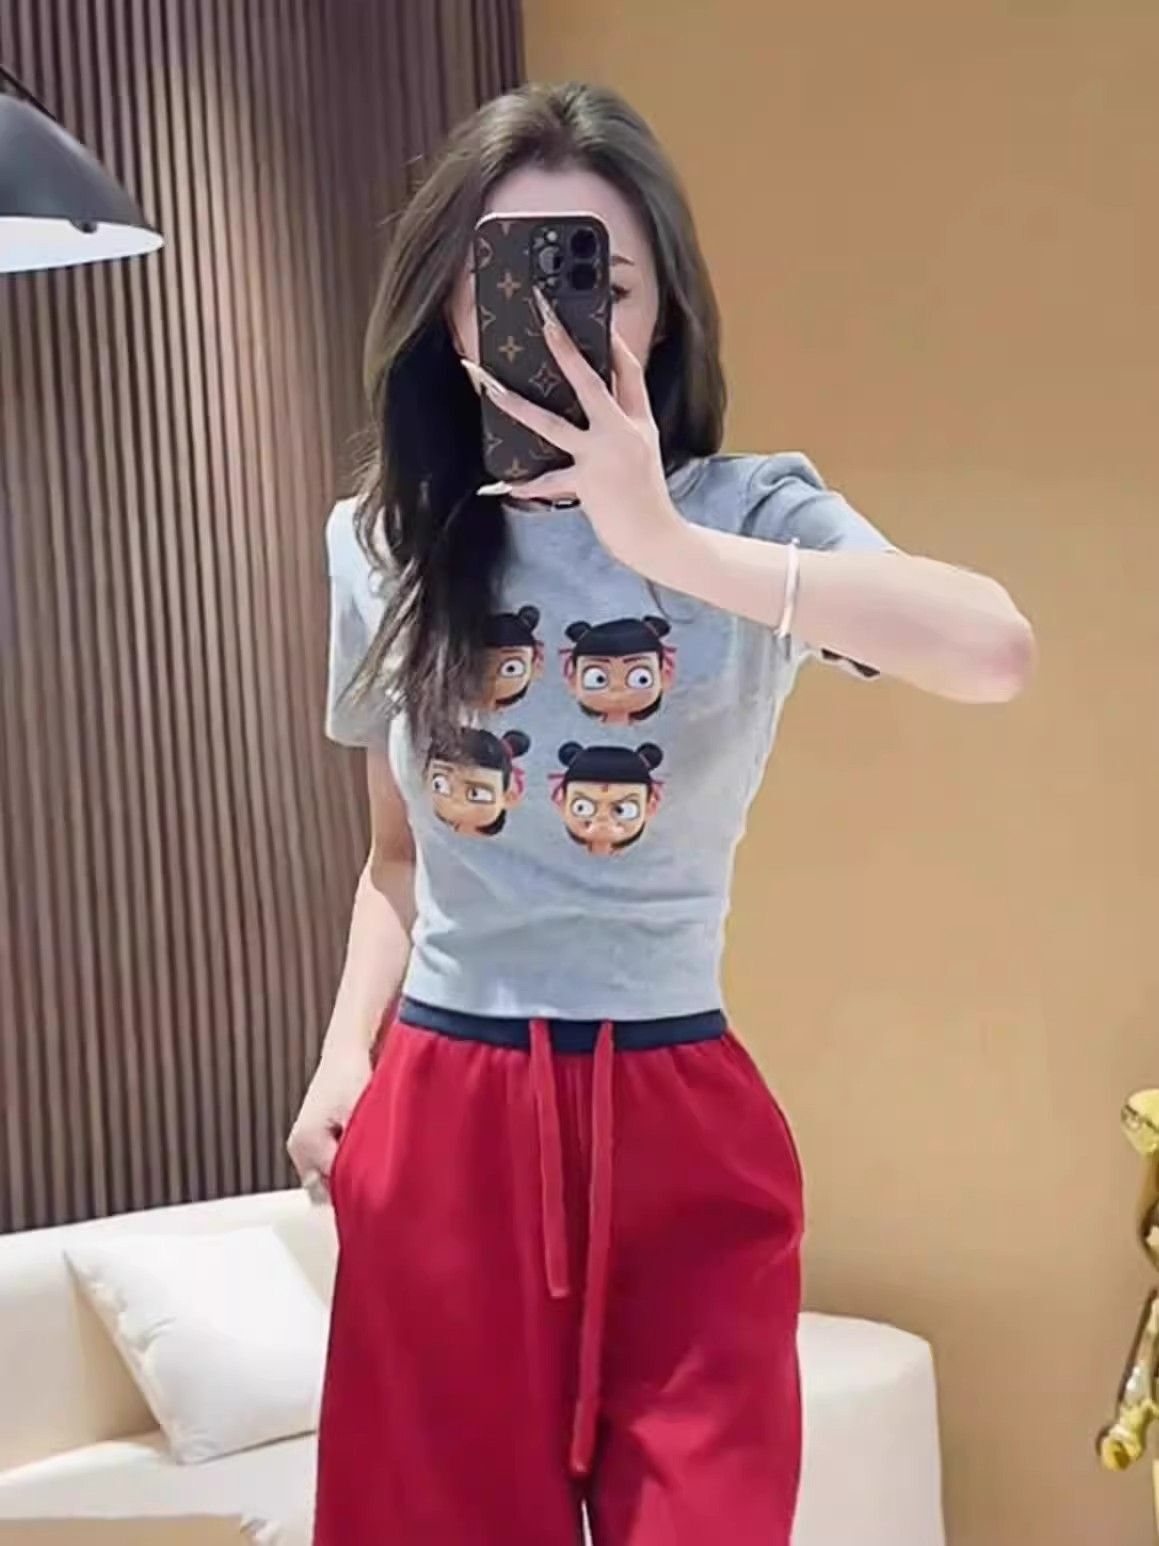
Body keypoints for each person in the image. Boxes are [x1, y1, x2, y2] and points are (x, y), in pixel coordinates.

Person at [289, 80, 1034, 1546]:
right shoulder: (382, 542)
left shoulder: (750, 516)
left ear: (664, 311)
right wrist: (341, 1061)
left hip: (678, 1112)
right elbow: (396, 855)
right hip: (443, 1119)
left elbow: (993, 650)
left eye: (602, 284)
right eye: (512, 283)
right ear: (452, 313)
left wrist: (664, 543)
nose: (564, 327)